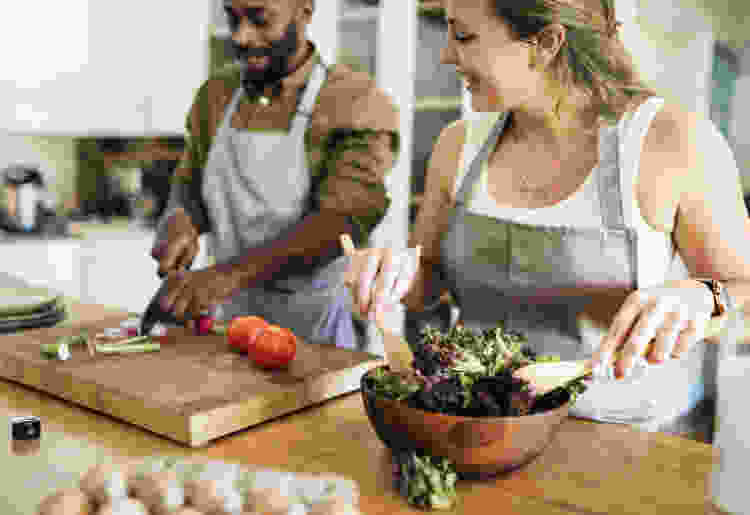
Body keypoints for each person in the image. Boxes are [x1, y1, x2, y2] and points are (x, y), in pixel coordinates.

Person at [344, 0, 750, 431]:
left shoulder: (671, 141)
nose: (446, 55)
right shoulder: (458, 145)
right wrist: (393, 272)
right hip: (480, 431)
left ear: (546, 42)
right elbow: (428, 281)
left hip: (627, 440)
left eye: (464, 37)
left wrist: (704, 297)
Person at [150, 0, 400, 350]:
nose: (241, 36)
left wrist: (225, 277)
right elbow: (192, 181)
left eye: (259, 18)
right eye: (232, 18)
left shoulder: (355, 101)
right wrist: (180, 216)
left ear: (306, 9)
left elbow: (340, 223)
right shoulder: (216, 95)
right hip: (229, 329)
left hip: (317, 336)